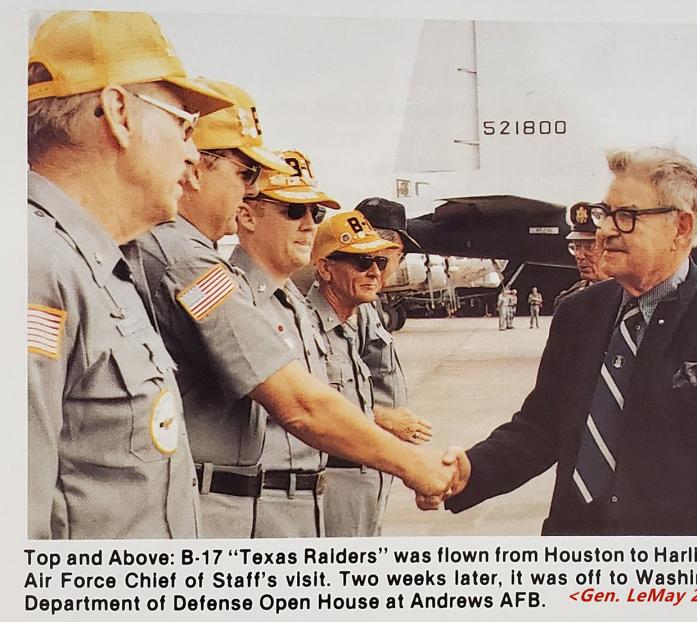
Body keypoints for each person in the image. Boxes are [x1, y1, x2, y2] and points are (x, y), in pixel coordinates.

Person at [129, 82, 458, 537]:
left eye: (314, 215)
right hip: (237, 512)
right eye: (245, 175)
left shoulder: (196, 263)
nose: (247, 192)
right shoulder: (187, 263)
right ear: (196, 170)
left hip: (289, 504)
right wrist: (413, 465)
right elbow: (300, 405)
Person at [431, 147, 697, 536]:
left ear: (682, 227)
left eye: (626, 217)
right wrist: (472, 469)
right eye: (606, 213)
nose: (604, 231)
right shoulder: (577, 314)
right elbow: (541, 427)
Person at [26, 10, 231, 538]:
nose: (192, 155)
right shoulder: (35, 265)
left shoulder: (94, 265)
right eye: (184, 125)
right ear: (118, 111)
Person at [226, 160, 337, 537]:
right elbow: (302, 409)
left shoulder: (295, 304)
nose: (309, 225)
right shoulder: (228, 297)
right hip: (253, 513)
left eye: (315, 212)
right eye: (293, 211)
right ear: (246, 215)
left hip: (306, 505)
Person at [307, 211, 406, 536]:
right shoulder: (306, 327)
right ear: (325, 268)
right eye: (361, 263)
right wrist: (383, 419)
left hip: (369, 475)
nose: (375, 272)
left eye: (379, 262)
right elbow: (307, 409)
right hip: (335, 479)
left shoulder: (354, 321)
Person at [355, 197, 432, 444]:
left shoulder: (369, 303)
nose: (399, 260)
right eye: (398, 250)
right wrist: (385, 418)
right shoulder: (347, 307)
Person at [554, 201, 610, 310]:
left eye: (590, 247)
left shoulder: (628, 297)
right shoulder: (567, 301)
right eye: (576, 247)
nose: (579, 256)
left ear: (609, 247)